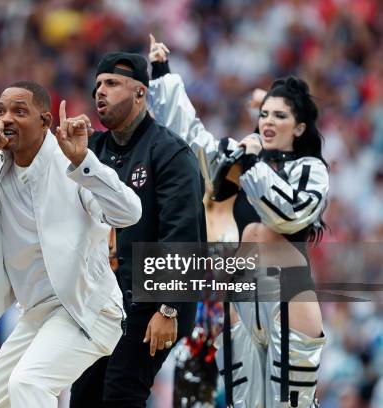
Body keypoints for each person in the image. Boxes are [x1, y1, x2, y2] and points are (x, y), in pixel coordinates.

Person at [0, 81, 142, 407]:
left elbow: (129, 213)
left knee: (29, 384)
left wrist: (84, 163)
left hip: (87, 308)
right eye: (1, 111)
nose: (6, 119)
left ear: (45, 121)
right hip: (36, 315)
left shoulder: (72, 163)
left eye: (19, 111)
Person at [147, 36, 329, 407]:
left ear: (299, 128)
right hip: (241, 299)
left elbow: (289, 213)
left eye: (280, 116)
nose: (268, 122)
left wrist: (251, 164)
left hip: (288, 298)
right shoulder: (241, 156)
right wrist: (164, 74)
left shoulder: (311, 170)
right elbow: (191, 141)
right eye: (265, 114)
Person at [70, 51, 206, 407]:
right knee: (84, 395)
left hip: (151, 301)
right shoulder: (91, 150)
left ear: (140, 93)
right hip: (102, 299)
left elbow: (183, 236)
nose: (101, 91)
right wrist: (68, 151)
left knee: (121, 391)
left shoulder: (170, 153)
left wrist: (169, 309)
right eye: (98, 84)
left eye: (112, 84)